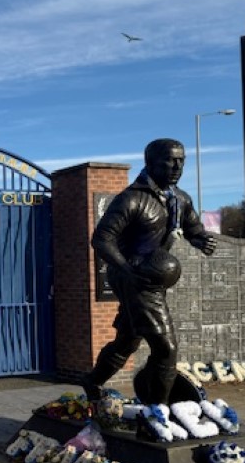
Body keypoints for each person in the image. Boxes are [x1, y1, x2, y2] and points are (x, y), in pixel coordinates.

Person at [82, 138, 216, 406]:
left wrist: (201, 240)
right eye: (170, 160)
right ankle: (159, 411)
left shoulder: (180, 199)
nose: (177, 167)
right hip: (133, 277)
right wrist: (127, 270)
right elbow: (102, 239)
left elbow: (193, 229)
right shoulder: (131, 198)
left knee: (127, 341)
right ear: (151, 163)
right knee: (166, 348)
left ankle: (93, 381)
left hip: (153, 278)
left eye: (181, 161)